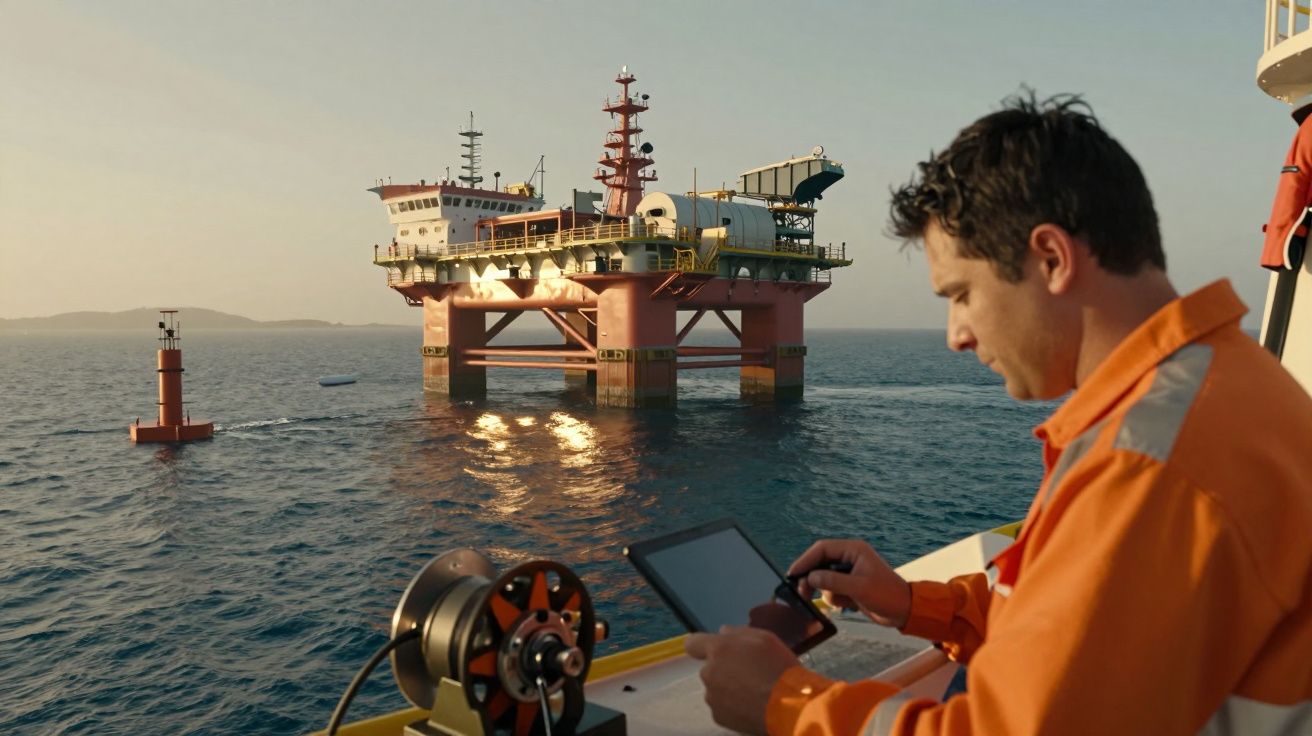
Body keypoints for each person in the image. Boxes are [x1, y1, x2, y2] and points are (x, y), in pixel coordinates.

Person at [685, 93, 1312, 735]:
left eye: (961, 294)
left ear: (1051, 258)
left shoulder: (1150, 462)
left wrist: (785, 705)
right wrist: (912, 604)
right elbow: (1081, 625)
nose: (956, 334)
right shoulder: (1223, 385)